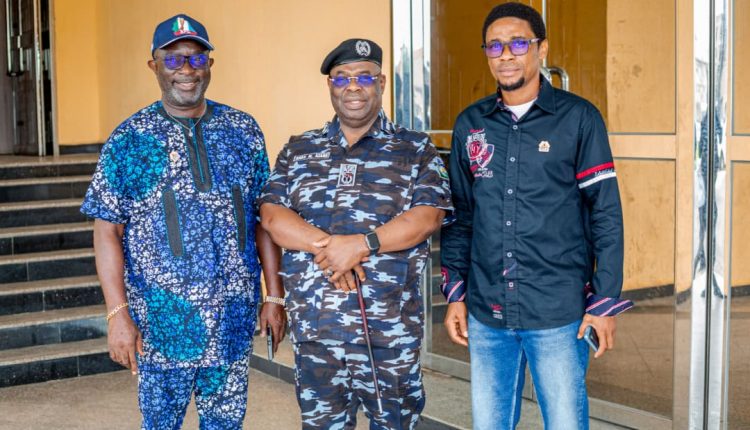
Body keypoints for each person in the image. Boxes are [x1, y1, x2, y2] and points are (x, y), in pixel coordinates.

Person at [81, 14, 286, 429]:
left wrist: (275, 296)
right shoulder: (129, 140)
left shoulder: (243, 130)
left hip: (232, 320)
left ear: (210, 64)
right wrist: (117, 314)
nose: (186, 70)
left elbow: (263, 219)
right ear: (153, 65)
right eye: (173, 59)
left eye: (196, 58)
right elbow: (107, 230)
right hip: (161, 326)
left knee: (226, 424)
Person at [440, 3, 634, 429]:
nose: (505, 55)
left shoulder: (579, 118)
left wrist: (604, 300)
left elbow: (605, 213)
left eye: (518, 43)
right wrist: (455, 292)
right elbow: (461, 216)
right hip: (487, 311)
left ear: (541, 49)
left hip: (558, 312)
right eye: (494, 46)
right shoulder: (471, 124)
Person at [258, 38, 453, 429]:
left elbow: (428, 217)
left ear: (381, 83)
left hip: (388, 333)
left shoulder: (415, 149)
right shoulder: (299, 149)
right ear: (329, 85)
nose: (353, 87)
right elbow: (272, 216)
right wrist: (332, 249)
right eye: (341, 77)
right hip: (317, 329)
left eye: (364, 77)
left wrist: (363, 245)